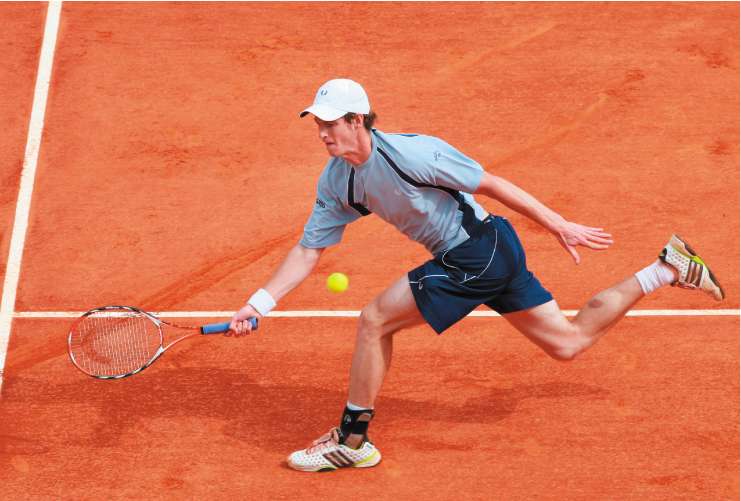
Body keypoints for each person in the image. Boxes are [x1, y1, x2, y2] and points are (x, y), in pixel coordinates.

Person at [228, 78, 724, 472]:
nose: (322, 133)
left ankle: (351, 440)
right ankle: (666, 269)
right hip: (486, 254)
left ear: (358, 120)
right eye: (317, 123)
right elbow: (308, 250)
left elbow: (491, 183)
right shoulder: (337, 181)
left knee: (375, 319)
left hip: (475, 251)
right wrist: (259, 303)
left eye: (331, 123)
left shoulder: (412, 153)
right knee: (567, 342)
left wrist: (560, 226)